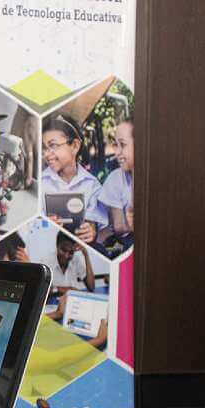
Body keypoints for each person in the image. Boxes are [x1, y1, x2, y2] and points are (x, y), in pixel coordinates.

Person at [41, 115, 107, 244]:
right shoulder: (41, 184)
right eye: (44, 148)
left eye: (53, 145)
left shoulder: (92, 185)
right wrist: (44, 225)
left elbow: (101, 230)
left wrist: (92, 230)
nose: (47, 154)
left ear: (75, 146)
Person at [99, 119, 134, 236]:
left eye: (123, 145)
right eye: (116, 145)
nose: (117, 152)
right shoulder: (115, 179)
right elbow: (119, 226)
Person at [43, 231, 95, 296]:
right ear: (57, 246)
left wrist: (86, 255)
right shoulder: (46, 262)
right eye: (63, 250)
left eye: (71, 252)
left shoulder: (76, 259)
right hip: (53, 301)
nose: (66, 256)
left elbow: (91, 287)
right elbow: (42, 290)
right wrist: (60, 289)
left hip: (72, 300)